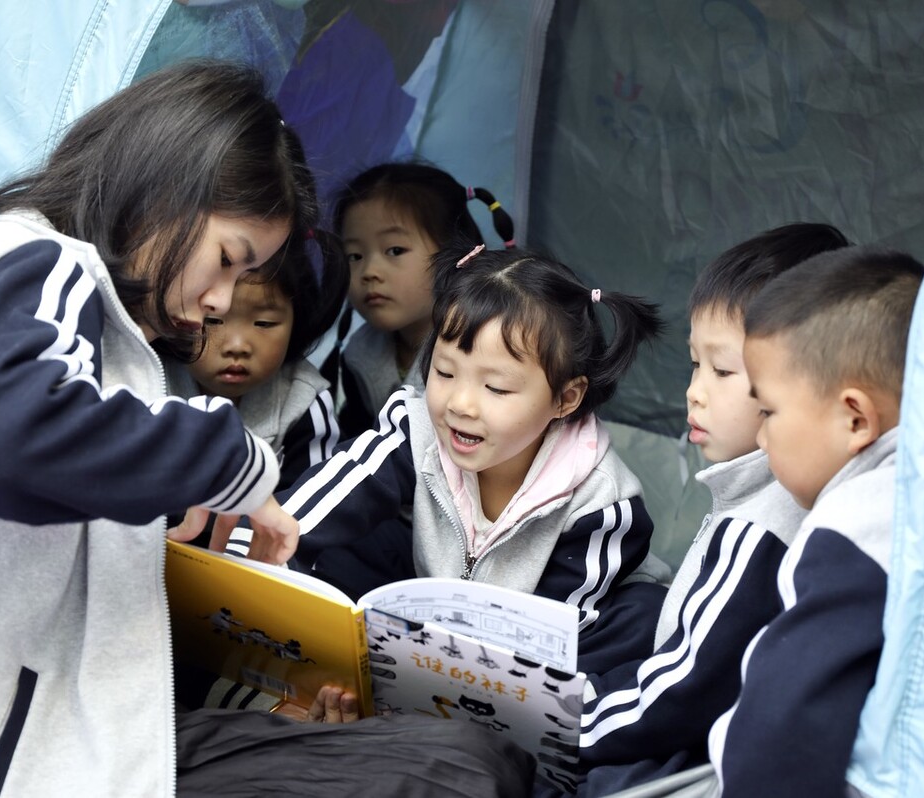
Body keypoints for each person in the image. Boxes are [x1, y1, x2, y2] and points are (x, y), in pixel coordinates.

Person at [0, 60, 519, 798]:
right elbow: (9, 443)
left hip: (73, 729)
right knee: (453, 774)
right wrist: (230, 460)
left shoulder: (63, 308)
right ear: (163, 189)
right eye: (226, 260)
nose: (219, 302)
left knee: (469, 758)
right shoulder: (41, 262)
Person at [277, 244, 668, 680]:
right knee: (346, 540)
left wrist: (444, 677)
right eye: (445, 372)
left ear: (565, 398)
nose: (460, 404)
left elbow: (553, 634)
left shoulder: (601, 502)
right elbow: (333, 490)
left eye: (496, 388)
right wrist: (260, 541)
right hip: (442, 599)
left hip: (560, 622)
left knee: (644, 616)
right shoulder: (417, 425)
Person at [569, 223, 851, 795]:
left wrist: (559, 723)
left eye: (722, 371)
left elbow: (685, 693)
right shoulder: (763, 493)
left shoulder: (764, 524)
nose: (694, 390)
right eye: (696, 364)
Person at [705, 245, 922, 797]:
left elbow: (778, 733)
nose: (761, 438)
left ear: (855, 419)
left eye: (769, 412)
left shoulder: (854, 524)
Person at [325, 161, 516, 439]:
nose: (369, 272)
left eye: (394, 250)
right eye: (354, 256)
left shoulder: (489, 348)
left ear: (457, 254)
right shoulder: (361, 352)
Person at [164, 227, 348, 497]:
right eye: (212, 321)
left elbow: (312, 504)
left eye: (264, 323)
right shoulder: (149, 380)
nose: (237, 346)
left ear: (297, 323)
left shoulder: (304, 400)